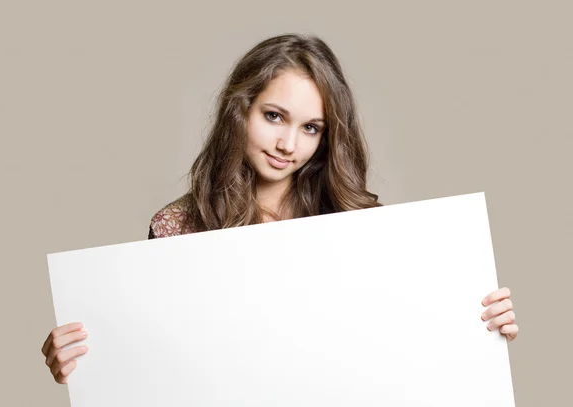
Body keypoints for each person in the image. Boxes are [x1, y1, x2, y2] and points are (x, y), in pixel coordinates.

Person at [41, 33, 519, 384]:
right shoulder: (176, 226)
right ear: (241, 109)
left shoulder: (357, 224)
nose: (289, 144)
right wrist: (83, 362)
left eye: (312, 128)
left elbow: (403, 344)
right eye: (274, 116)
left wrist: (477, 324)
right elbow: (158, 360)